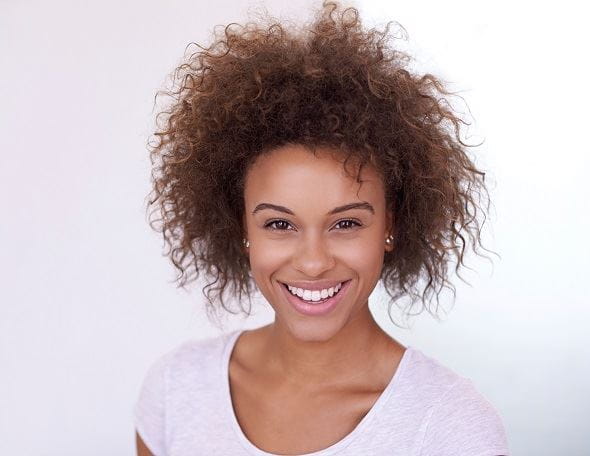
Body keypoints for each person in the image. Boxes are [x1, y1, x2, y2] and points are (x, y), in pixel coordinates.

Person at [134, 1, 509, 455]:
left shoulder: (448, 426)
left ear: (390, 226)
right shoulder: (177, 391)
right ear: (241, 228)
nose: (313, 262)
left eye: (346, 223)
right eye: (279, 224)